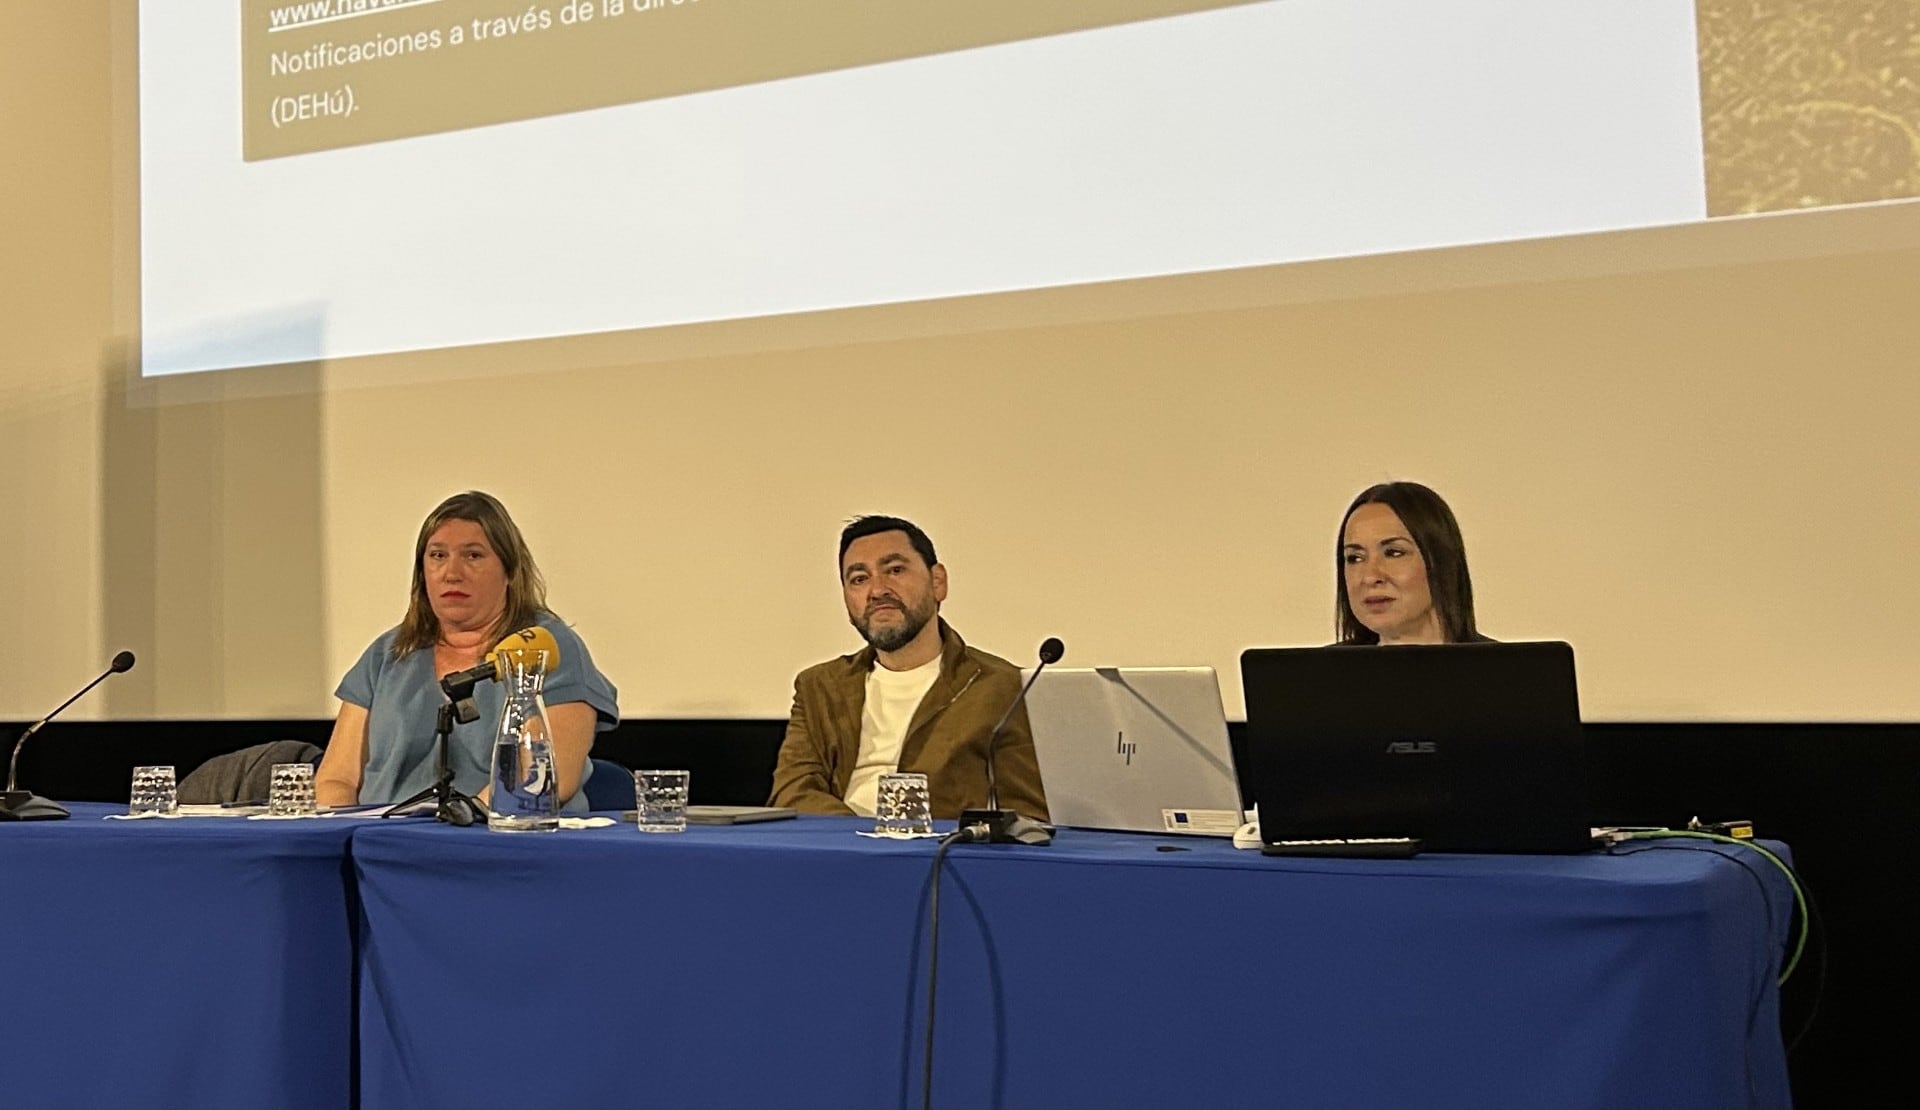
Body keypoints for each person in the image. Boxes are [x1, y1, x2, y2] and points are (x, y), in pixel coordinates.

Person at [316, 491, 619, 813]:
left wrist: (461, 824)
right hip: (387, 842)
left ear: (509, 572)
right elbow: (337, 779)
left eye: (473, 556)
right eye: (437, 556)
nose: (452, 572)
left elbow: (542, 779)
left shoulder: (545, 646)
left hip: (501, 840)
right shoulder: (388, 654)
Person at [768, 515, 1047, 822]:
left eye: (895, 570)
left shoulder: (1000, 687)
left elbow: (1027, 817)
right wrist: (865, 841)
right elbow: (793, 792)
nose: (877, 590)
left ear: (937, 582)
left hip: (938, 861)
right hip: (839, 854)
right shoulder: (819, 686)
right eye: (859, 579)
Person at [1335, 481, 1492, 645]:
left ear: (1441, 562)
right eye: (1355, 558)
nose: (1370, 577)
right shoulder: (1315, 669)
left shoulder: (1509, 667)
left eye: (1394, 553)